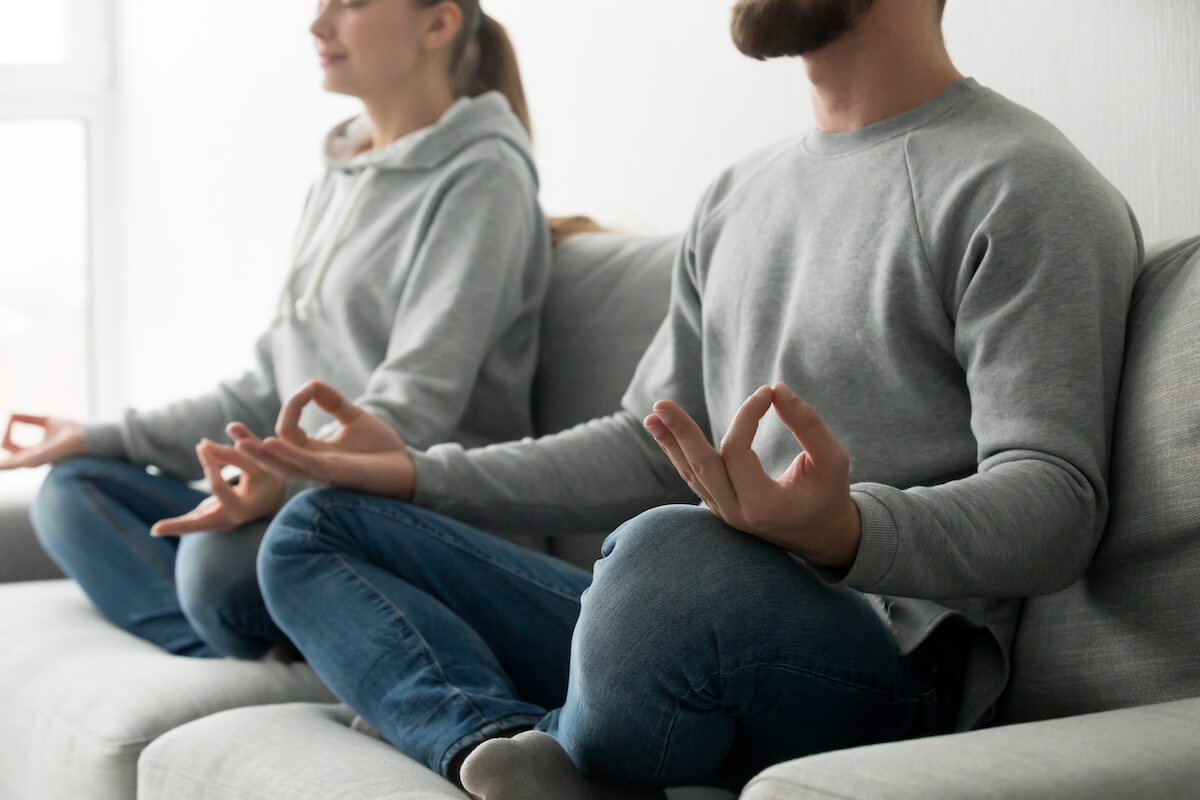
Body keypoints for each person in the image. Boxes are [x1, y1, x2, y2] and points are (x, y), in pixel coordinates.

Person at [234, 0, 1143, 796]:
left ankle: (554, 737)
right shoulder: (739, 193)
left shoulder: (1022, 180)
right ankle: (494, 743)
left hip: (889, 660)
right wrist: (415, 473)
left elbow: (1058, 499)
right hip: (681, 626)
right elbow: (646, 442)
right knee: (320, 525)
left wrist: (845, 530)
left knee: (666, 557)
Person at [0, 0, 552, 662]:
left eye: (348, 6)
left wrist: (279, 486)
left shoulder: (484, 174)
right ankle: (252, 647)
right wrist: (97, 434)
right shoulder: (340, 175)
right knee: (73, 488)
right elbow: (266, 386)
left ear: (437, 24)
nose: (318, 27)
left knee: (216, 570)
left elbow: (415, 408)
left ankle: (282, 628)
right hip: (301, 490)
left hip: (399, 517)